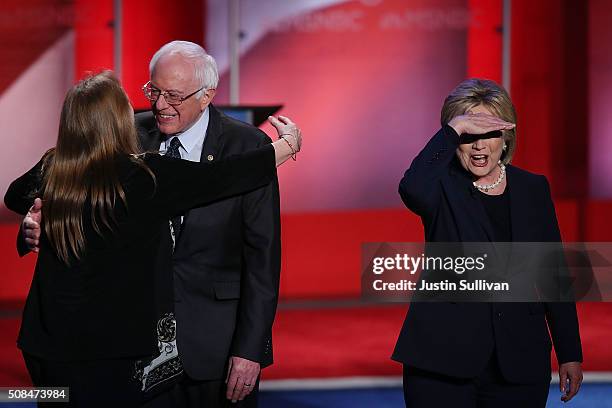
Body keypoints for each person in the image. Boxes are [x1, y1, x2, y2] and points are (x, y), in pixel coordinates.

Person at [4, 71, 301, 407]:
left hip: (45, 349)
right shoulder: (145, 177)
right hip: (113, 355)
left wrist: (34, 215)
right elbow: (223, 177)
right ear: (120, 121)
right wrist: (288, 145)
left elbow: (15, 195)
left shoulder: (53, 168)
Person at [392, 78, 582, 408]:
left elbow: (553, 274)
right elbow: (411, 187)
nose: (480, 146)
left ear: (506, 137)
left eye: (490, 133)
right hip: (442, 363)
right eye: (469, 135)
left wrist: (570, 352)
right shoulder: (440, 188)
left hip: (519, 362)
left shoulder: (532, 189)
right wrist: (452, 129)